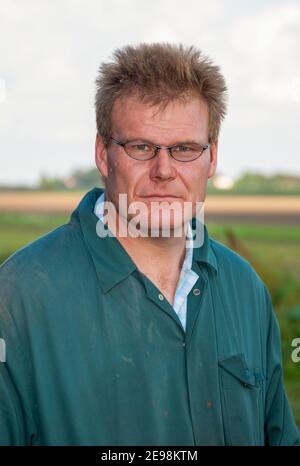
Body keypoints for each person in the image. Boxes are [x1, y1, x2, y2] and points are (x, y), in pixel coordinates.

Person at [0, 43, 299, 446]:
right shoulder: (20, 297)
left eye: (184, 149)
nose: (164, 171)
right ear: (103, 155)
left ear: (211, 159)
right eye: (141, 147)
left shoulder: (244, 289)